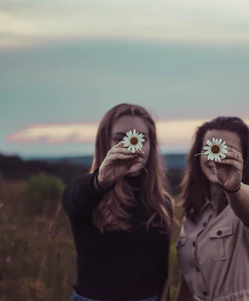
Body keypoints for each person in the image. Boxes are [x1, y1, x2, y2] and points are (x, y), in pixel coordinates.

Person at [62, 103, 172, 301]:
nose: (132, 145)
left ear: (151, 145)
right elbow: (74, 200)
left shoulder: (162, 203)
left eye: (142, 138)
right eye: (120, 138)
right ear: (104, 142)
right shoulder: (91, 192)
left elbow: (163, 274)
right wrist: (101, 181)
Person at [175, 116, 249, 301]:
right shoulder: (194, 215)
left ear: (244, 158)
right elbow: (189, 282)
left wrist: (234, 188)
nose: (217, 156)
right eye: (211, 148)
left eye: (228, 150)